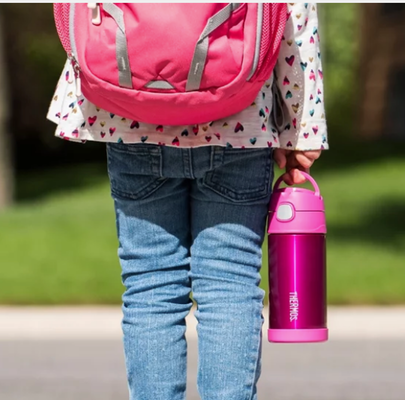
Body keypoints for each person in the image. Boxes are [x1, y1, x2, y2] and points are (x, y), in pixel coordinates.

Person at [48, 3, 328, 399]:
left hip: (130, 113)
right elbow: (294, 13)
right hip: (239, 114)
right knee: (229, 283)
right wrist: (302, 126)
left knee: (150, 286)